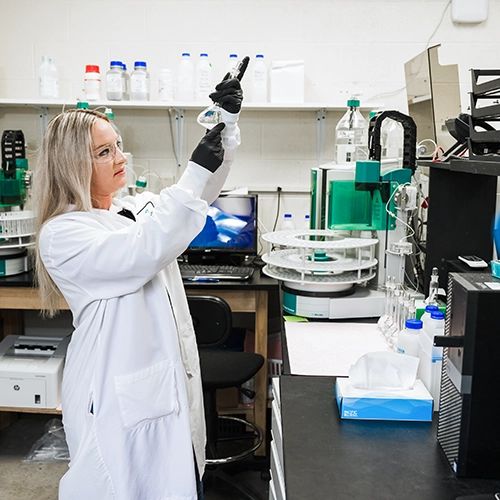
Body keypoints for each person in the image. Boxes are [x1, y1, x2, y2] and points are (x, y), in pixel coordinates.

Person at [33, 57, 249, 500]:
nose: (121, 156)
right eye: (104, 151)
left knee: (170, 479)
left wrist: (226, 125)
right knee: (119, 484)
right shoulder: (63, 234)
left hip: (155, 391)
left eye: (118, 145)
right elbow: (144, 249)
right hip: (114, 395)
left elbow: (198, 195)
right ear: (72, 165)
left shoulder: (126, 208)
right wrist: (193, 171)